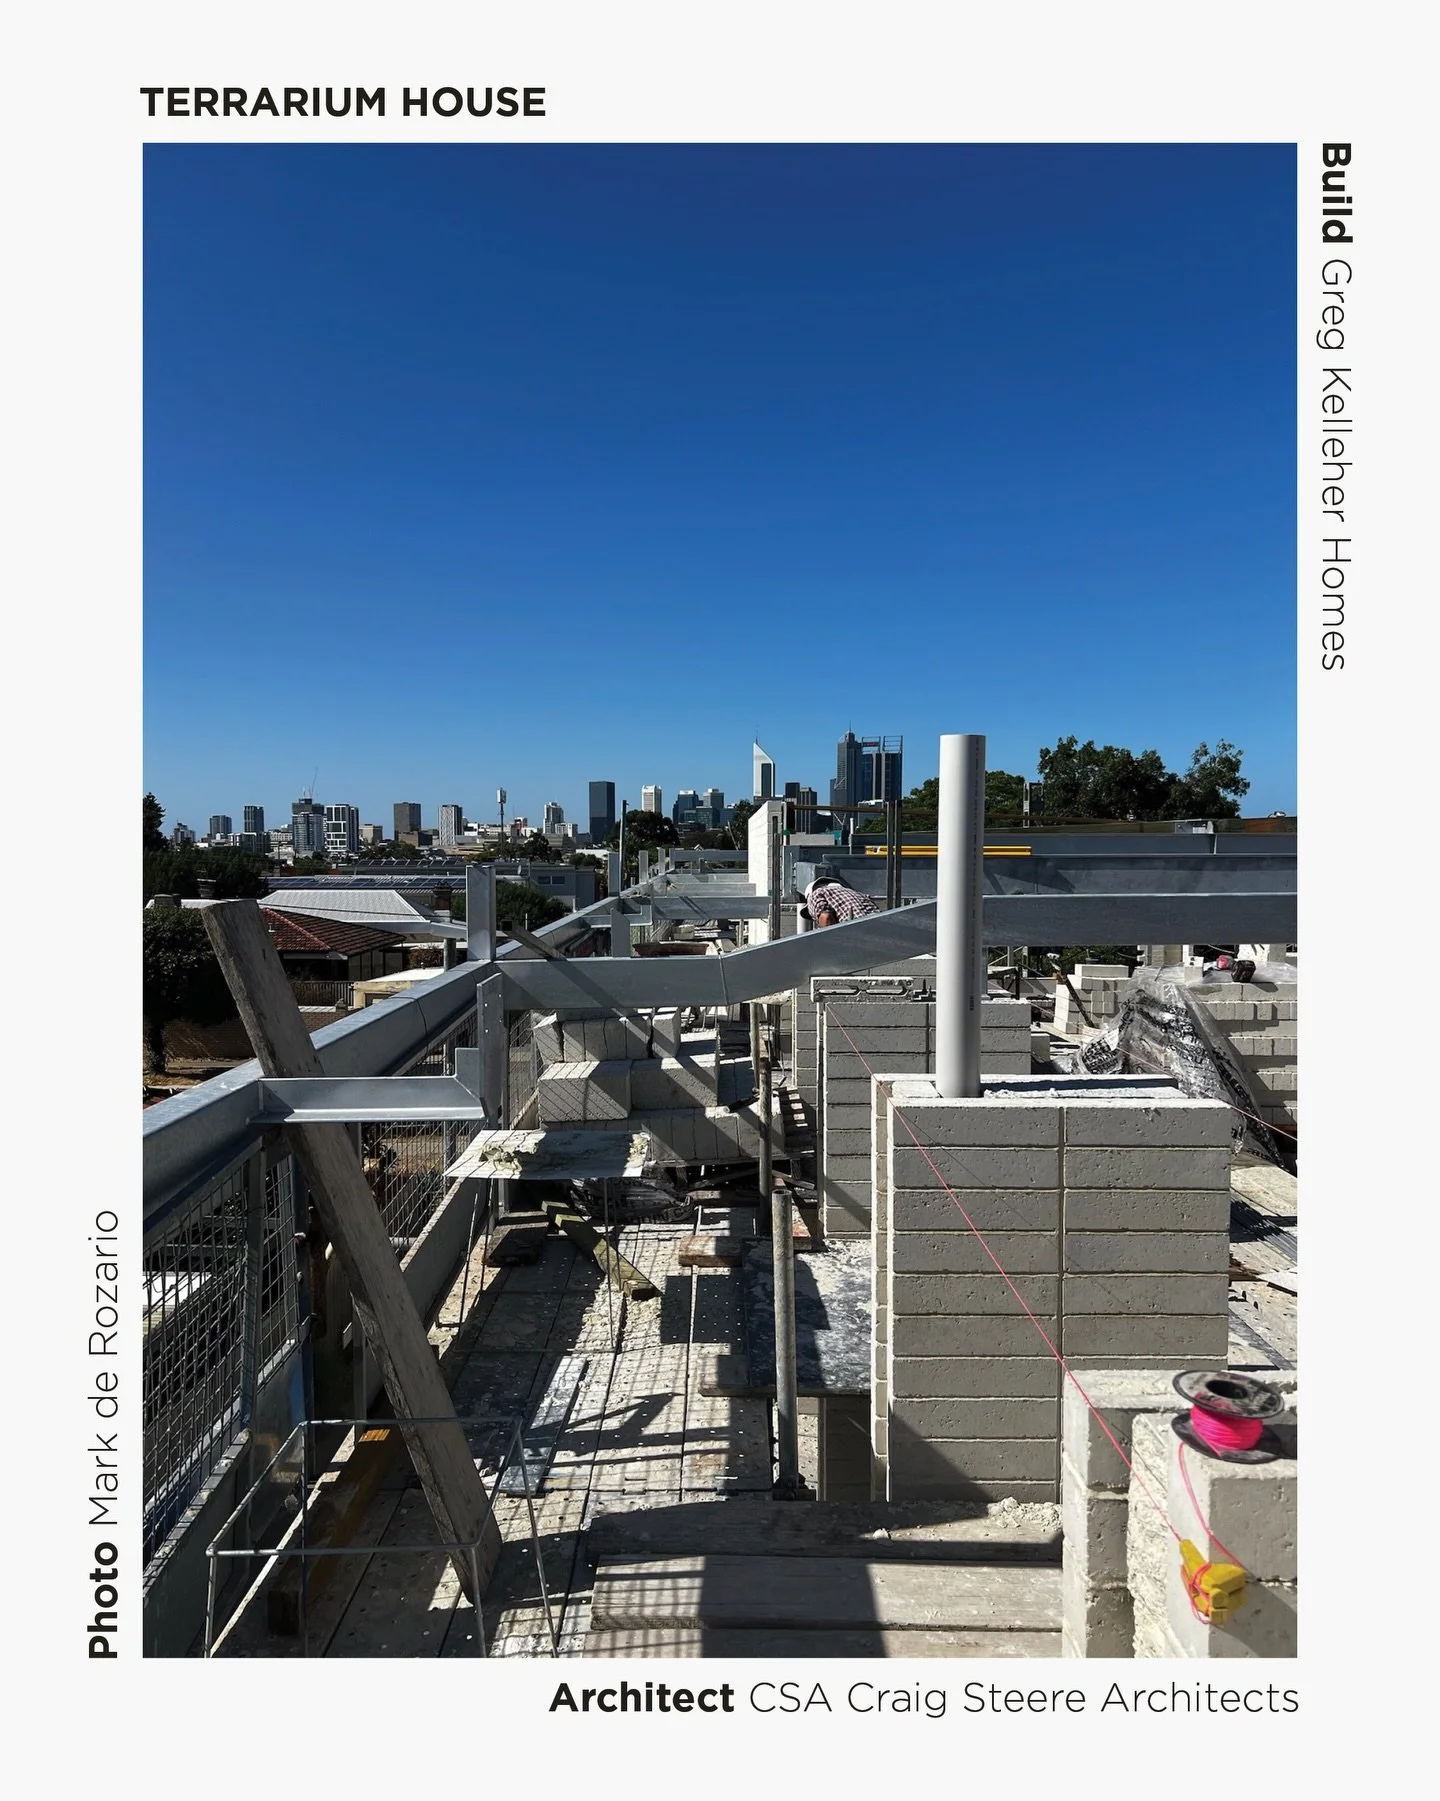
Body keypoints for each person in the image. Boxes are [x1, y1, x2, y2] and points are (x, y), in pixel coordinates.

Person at [802, 877, 883, 928]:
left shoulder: (816, 893)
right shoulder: (856, 893)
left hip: (858, 928)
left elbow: (826, 917)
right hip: (881, 924)